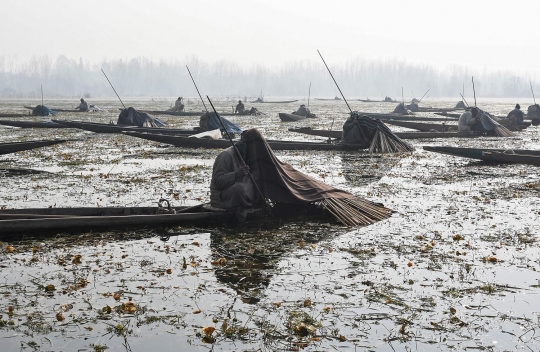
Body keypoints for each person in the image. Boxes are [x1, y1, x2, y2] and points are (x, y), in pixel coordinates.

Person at [210, 133, 256, 223]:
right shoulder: (226, 155)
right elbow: (218, 182)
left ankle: (247, 204)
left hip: (240, 195)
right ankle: (242, 211)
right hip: (221, 197)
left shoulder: (250, 156)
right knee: (238, 188)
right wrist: (236, 174)